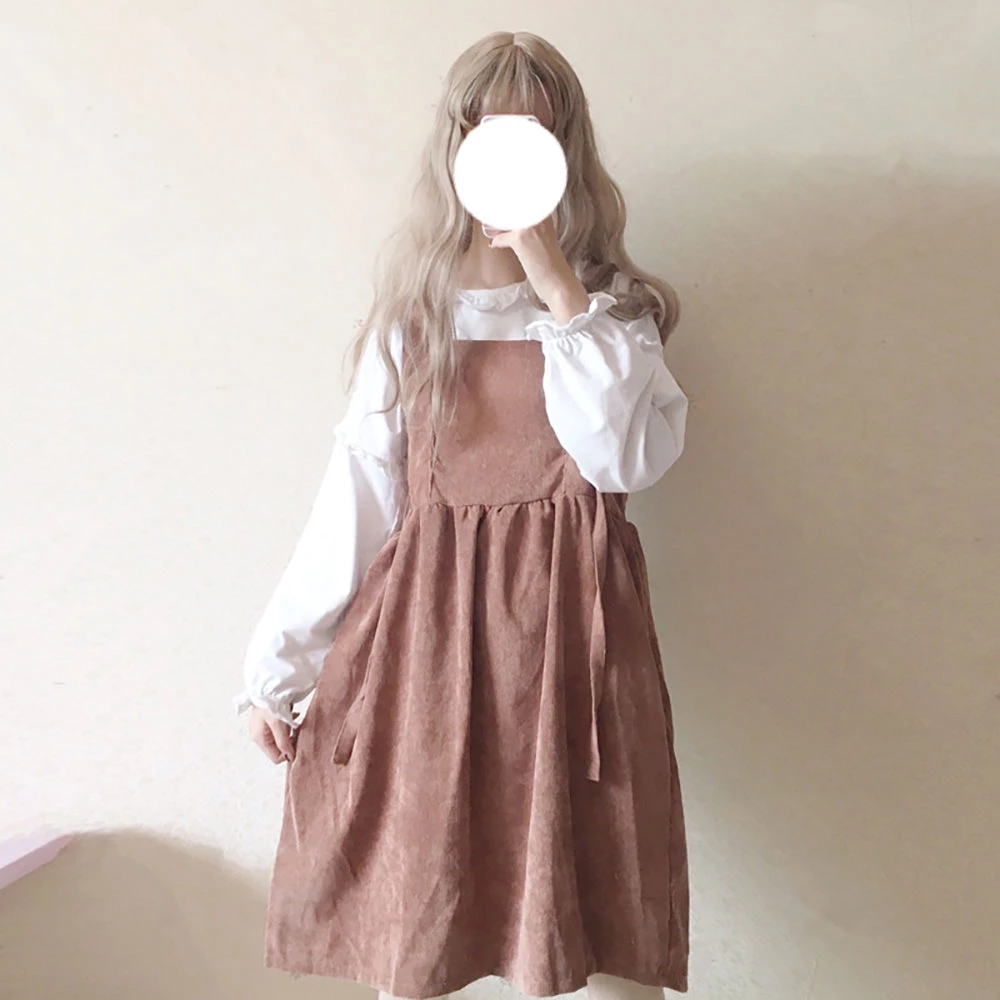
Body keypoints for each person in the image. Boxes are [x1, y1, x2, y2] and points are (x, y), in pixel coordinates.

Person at [234, 30, 691, 1000]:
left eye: (538, 137)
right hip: (431, 656)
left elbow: (620, 461)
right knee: (422, 922)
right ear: (459, 150)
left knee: (605, 933)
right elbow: (357, 499)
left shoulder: (613, 317)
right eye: (491, 138)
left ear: (566, 151)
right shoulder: (418, 323)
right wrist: (278, 668)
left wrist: (557, 286)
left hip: (579, 661)